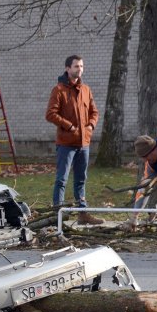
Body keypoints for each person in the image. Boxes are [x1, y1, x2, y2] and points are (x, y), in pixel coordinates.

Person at [45, 55, 104, 224]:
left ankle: (82, 214)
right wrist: (69, 126)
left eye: (82, 66)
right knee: (61, 179)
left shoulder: (86, 89)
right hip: (66, 144)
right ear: (67, 68)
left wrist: (91, 126)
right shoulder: (59, 90)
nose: (80, 69)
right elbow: (50, 114)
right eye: (76, 66)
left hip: (84, 143)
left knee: (80, 180)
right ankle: (59, 214)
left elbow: (94, 112)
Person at [126, 133, 157, 228]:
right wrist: (134, 216)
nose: (145, 160)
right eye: (143, 158)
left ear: (153, 149)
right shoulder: (150, 165)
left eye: (146, 157)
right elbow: (144, 190)